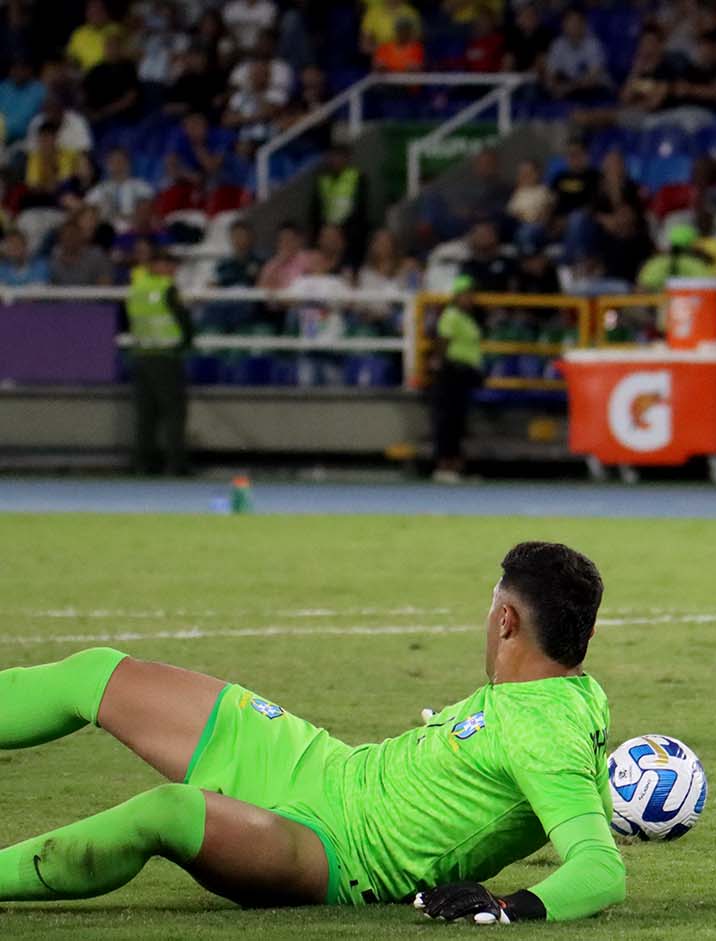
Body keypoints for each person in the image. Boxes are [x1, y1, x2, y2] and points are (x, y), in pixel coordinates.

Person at [0, 541, 621, 921]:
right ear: (585, 635)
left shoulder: (546, 733)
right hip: (320, 767)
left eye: (492, 606)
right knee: (98, 675)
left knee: (169, 813)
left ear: (507, 620)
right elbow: (576, 798)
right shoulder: (572, 695)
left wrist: (512, 907)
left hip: (329, 852)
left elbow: (599, 869)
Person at [125, 249, 196, 476]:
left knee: (146, 415)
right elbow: (184, 321)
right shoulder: (166, 289)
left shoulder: (137, 288)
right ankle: (176, 465)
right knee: (174, 413)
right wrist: (185, 344)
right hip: (165, 357)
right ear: (156, 265)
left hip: (141, 355)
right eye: (168, 263)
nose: (172, 269)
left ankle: (142, 465)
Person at [430, 274, 485, 484]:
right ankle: (444, 465)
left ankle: (455, 465)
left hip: (463, 374)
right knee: (448, 419)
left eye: (471, 294)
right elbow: (443, 341)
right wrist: (439, 365)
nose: (470, 298)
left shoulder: (465, 317)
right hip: (451, 372)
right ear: (457, 296)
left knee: (458, 420)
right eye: (465, 294)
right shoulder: (451, 315)